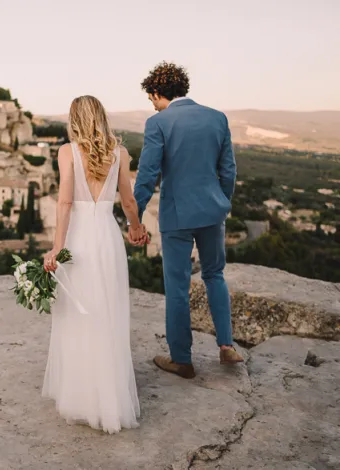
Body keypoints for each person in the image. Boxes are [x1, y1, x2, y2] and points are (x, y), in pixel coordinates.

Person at [134, 61, 244, 380]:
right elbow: (229, 170)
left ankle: (182, 359)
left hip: (177, 215)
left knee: (178, 286)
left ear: (157, 93)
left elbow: (148, 175)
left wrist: (135, 218)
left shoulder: (159, 122)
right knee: (214, 274)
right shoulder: (217, 117)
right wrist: (222, 201)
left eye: (151, 98)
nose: (152, 105)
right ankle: (226, 345)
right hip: (213, 212)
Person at [42, 95, 143, 434]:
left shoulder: (68, 152)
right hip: (108, 238)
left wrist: (57, 247)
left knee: (78, 312)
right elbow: (128, 200)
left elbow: (66, 201)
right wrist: (136, 228)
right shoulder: (121, 153)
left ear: (74, 120)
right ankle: (109, 398)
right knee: (107, 312)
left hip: (80, 239)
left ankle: (81, 396)